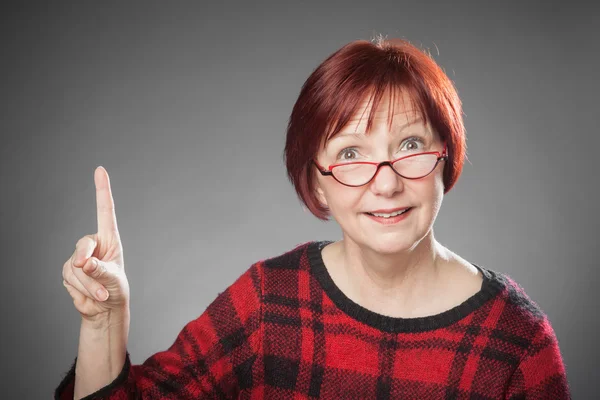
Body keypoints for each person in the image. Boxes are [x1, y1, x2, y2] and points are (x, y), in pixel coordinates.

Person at [56, 37, 571, 399]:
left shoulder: (515, 339)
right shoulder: (268, 303)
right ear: (317, 179)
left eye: (411, 145)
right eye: (351, 154)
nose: (386, 183)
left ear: (447, 156)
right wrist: (103, 322)